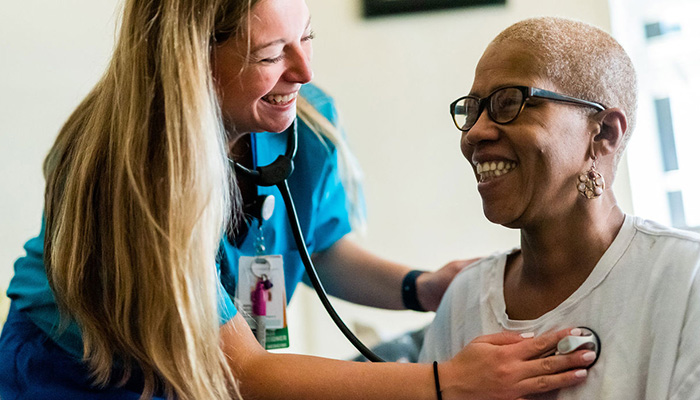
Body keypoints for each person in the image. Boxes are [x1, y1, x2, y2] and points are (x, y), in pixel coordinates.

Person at [0, 1, 597, 399]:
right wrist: (445, 383)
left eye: (307, 36)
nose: (304, 70)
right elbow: (245, 368)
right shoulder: (123, 170)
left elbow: (321, 247)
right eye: (270, 55)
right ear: (191, 60)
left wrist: (421, 287)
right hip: (79, 375)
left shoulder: (303, 123)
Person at [419, 16, 700, 399]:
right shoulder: (464, 299)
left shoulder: (685, 279)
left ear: (603, 133)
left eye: (510, 103)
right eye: (473, 110)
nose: (475, 132)